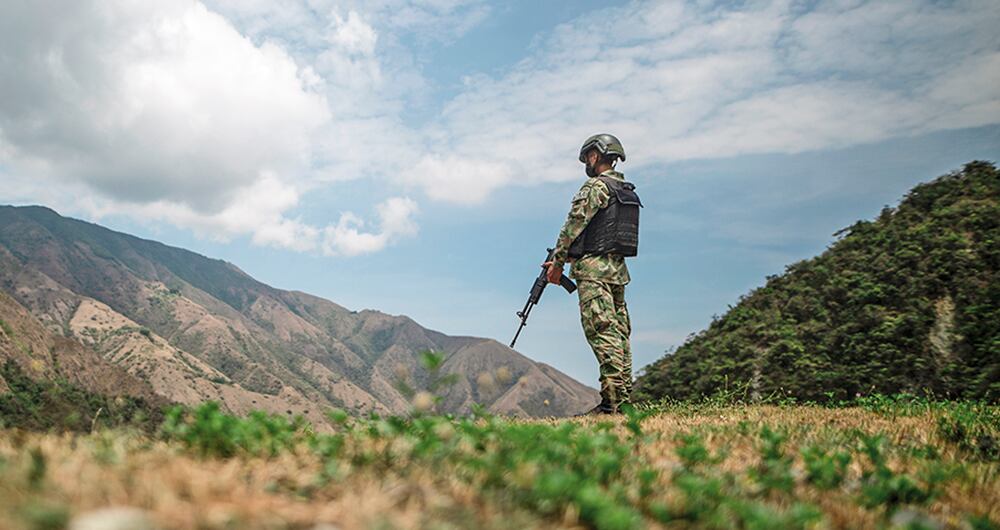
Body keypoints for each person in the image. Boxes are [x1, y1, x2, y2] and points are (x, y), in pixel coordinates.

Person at [544, 133, 641, 415]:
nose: (587, 162)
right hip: (617, 271)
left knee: (603, 332)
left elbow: (572, 226)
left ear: (595, 156)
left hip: (594, 273)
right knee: (619, 334)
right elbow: (602, 233)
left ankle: (611, 404)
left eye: (588, 157)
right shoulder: (625, 190)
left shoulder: (596, 187)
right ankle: (621, 399)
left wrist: (558, 262)